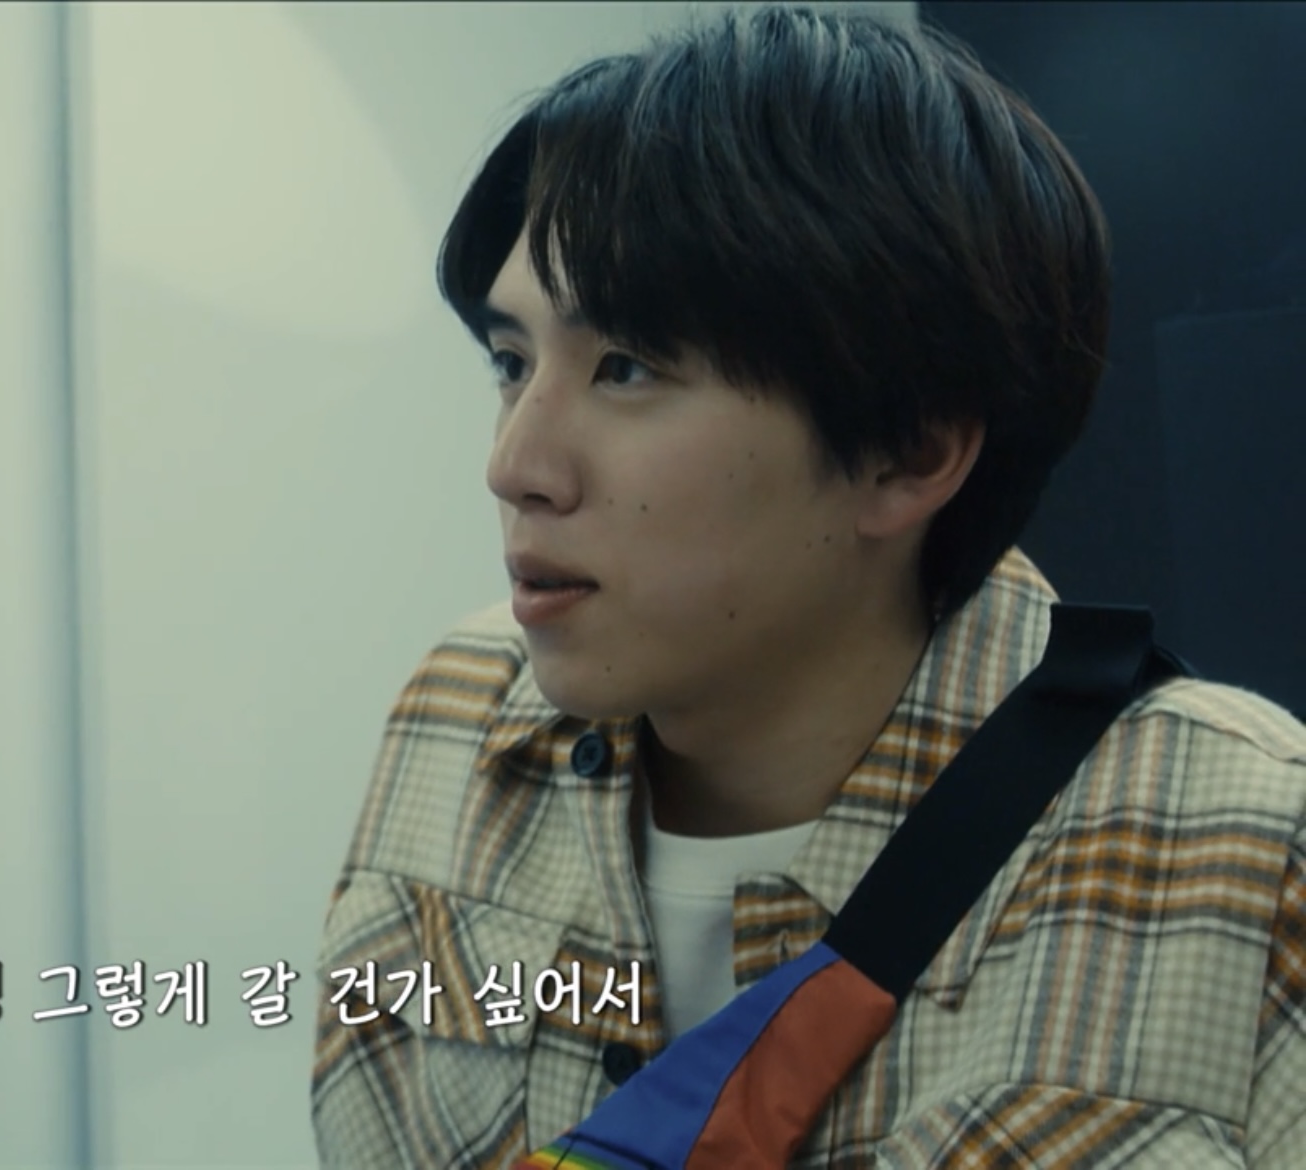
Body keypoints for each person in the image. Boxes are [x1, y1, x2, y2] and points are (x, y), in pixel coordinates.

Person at [309, 5, 1306, 1166]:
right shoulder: (458, 711)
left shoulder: (1238, 846)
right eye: (510, 361)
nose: (513, 464)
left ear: (907, 452)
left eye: (625, 367)